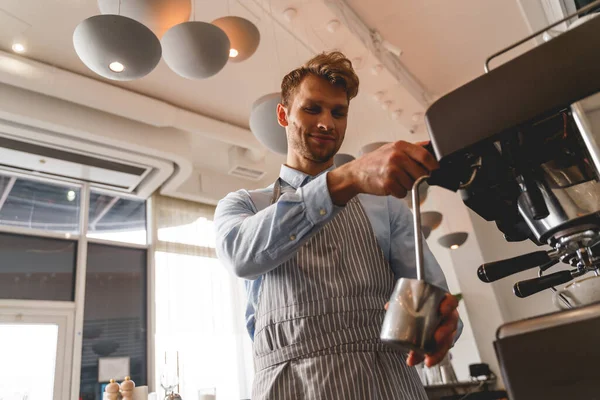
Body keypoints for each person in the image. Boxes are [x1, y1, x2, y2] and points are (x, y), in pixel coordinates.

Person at [214, 51, 461, 400]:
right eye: (312, 109)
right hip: (288, 388)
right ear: (284, 115)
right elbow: (241, 255)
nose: (327, 123)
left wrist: (441, 325)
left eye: (338, 112)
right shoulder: (243, 205)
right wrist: (344, 180)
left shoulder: (387, 207)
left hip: (385, 384)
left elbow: (433, 298)